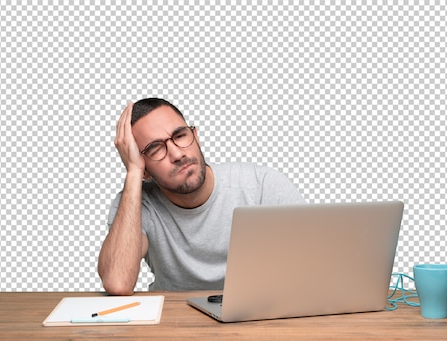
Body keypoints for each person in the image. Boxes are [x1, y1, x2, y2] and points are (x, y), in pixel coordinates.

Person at [98, 98, 306, 295]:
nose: (178, 154)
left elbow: (311, 266)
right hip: (174, 322)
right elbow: (118, 283)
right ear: (145, 169)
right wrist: (133, 173)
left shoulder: (262, 185)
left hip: (256, 318)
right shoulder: (133, 203)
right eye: (155, 149)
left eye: (180, 136)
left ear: (195, 136)